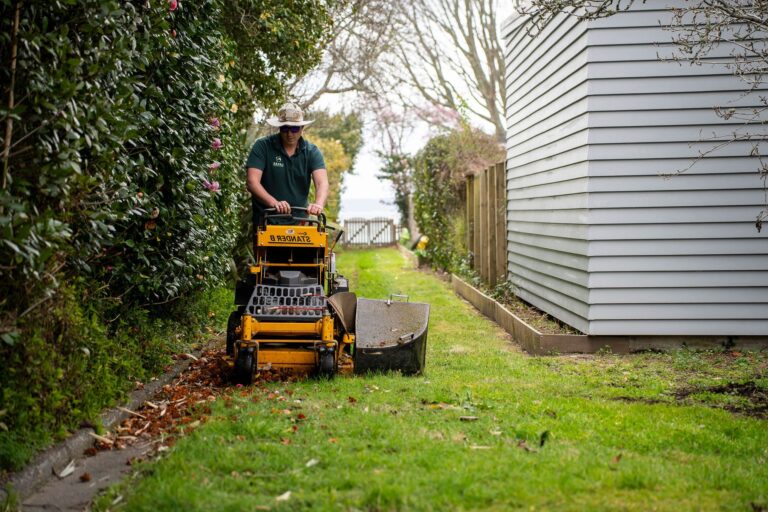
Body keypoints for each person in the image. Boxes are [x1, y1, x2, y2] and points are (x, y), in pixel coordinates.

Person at [245, 102, 328, 225]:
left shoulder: (312, 152)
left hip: (299, 223)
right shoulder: (263, 146)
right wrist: (274, 203)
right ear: (279, 128)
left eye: (294, 129)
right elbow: (252, 182)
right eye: (285, 128)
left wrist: (318, 204)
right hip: (266, 222)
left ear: (302, 128)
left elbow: (322, 182)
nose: (289, 134)